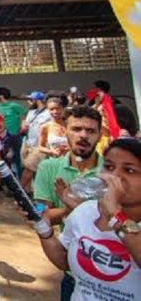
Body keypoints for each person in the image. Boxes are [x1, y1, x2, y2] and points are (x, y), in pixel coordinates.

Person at [33, 138, 141, 300]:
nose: (115, 177)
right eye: (109, 167)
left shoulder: (112, 213)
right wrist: (44, 230)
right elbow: (64, 262)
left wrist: (115, 213)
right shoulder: (86, 211)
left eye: (129, 170)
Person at [33, 105, 104, 300]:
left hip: (118, 275)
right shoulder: (48, 168)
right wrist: (67, 208)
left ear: (100, 134)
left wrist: (79, 207)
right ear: (65, 132)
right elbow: (41, 212)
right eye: (76, 129)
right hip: (74, 275)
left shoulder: (113, 171)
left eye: (90, 131)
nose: (83, 135)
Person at [20, 91, 52, 192]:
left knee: (29, 168)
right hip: (28, 142)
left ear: (37, 100)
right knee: (26, 166)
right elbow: (25, 123)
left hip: (39, 145)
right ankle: (28, 191)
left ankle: (19, 189)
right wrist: (23, 126)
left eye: (31, 99)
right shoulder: (31, 112)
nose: (29, 101)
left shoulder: (48, 113)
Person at [0, 87, 27, 176]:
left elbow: (25, 112)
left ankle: (20, 178)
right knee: (5, 158)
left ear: (2, 95)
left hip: (15, 134)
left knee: (18, 157)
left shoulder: (13, 105)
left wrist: (22, 123)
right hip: (3, 136)